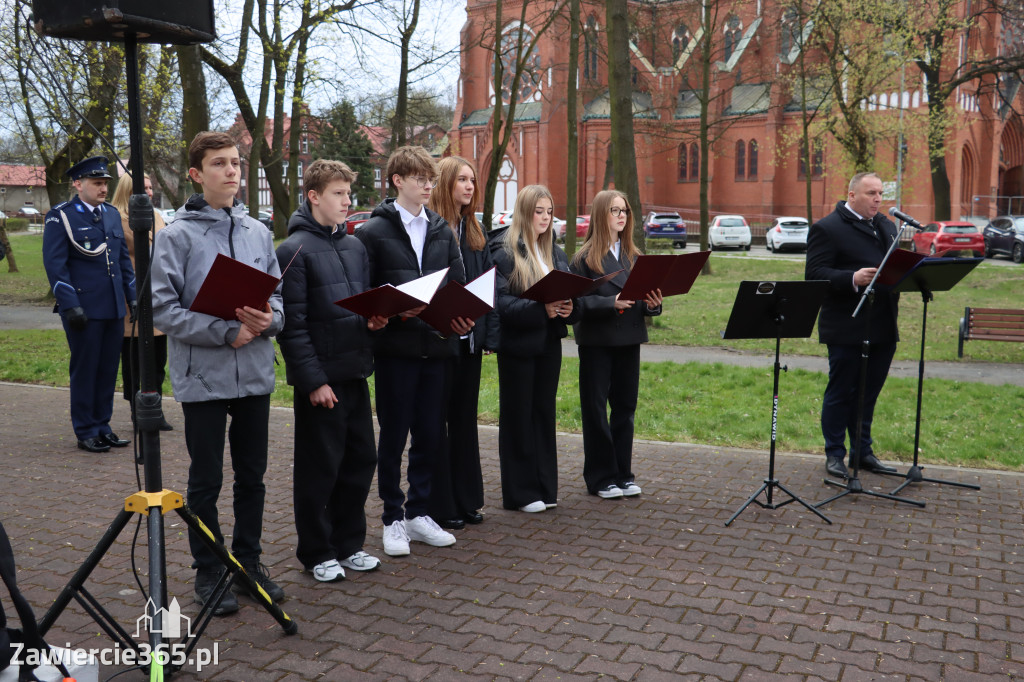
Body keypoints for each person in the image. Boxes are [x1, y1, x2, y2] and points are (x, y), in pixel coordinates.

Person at [150, 131, 285, 615]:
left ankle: (248, 563)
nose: (231, 171)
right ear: (196, 173)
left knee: (253, 475)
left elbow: (280, 302)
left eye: (236, 163)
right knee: (206, 479)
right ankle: (210, 570)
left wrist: (271, 321)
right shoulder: (175, 235)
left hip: (253, 373)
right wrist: (223, 331)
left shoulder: (258, 231)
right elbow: (162, 309)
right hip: (202, 378)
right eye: (219, 164)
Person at [276, 159, 388, 583]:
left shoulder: (354, 247)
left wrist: (375, 323)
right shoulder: (293, 250)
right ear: (314, 196)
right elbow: (293, 326)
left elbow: (359, 308)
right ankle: (317, 551)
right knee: (320, 468)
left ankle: (350, 545)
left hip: (356, 371)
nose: (347, 202)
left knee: (361, 460)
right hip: (322, 381)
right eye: (338, 194)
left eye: (348, 193)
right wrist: (313, 381)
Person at [354, 145, 469, 557]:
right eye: (420, 177)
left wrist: (462, 316)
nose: (428, 185)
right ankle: (392, 518)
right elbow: (364, 294)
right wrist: (386, 314)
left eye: (431, 178)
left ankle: (419, 513)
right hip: (395, 351)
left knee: (429, 434)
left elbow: (456, 285)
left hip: (436, 347)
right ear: (398, 180)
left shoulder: (442, 229)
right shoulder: (372, 232)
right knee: (394, 436)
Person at [805, 171, 901, 480]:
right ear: (852, 195)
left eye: (880, 193)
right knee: (841, 391)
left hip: (882, 323)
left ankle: (863, 451)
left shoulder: (886, 226)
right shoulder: (827, 228)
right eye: (871, 193)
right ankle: (835, 453)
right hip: (846, 324)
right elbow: (814, 273)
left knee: (868, 392)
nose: (878, 199)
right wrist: (851, 279)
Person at [491, 184, 579, 513]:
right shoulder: (504, 252)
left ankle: (544, 486)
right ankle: (521, 493)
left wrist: (572, 308)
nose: (544, 217)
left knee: (543, 414)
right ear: (524, 213)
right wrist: (540, 309)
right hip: (517, 347)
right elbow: (501, 304)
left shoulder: (555, 253)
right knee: (518, 416)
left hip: (548, 345)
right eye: (538, 211)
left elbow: (572, 294)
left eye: (549, 212)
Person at [570, 190, 662, 499]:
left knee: (625, 408)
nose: (621, 215)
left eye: (624, 210)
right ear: (600, 215)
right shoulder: (583, 259)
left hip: (629, 339)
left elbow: (643, 298)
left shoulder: (634, 256)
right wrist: (611, 302)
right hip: (597, 341)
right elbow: (577, 305)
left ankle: (624, 474)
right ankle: (600, 477)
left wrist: (652, 305)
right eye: (614, 210)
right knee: (595, 409)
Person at [42, 156, 136, 453]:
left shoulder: (110, 214)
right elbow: (56, 265)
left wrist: (132, 295)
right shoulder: (62, 216)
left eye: (105, 183)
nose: (103, 188)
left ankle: (102, 425)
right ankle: (85, 430)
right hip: (83, 307)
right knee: (86, 368)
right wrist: (70, 304)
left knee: (108, 369)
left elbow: (122, 260)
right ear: (78, 184)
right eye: (97, 183)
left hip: (112, 305)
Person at [426, 156, 499, 529]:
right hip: (442, 341)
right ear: (445, 184)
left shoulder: (475, 230)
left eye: (472, 180)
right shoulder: (432, 230)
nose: (470, 186)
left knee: (465, 422)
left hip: (472, 342)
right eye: (462, 180)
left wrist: (488, 335)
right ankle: (443, 504)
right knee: (438, 422)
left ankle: (469, 499)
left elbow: (489, 286)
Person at [110, 172, 173, 432]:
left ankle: (155, 408)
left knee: (158, 358)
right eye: (143, 187)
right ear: (128, 190)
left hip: (157, 295)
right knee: (136, 359)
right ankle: (139, 411)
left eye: (150, 187)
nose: (148, 191)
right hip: (132, 299)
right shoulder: (116, 217)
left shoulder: (156, 215)